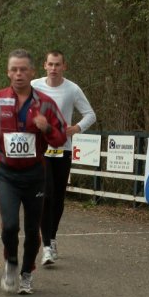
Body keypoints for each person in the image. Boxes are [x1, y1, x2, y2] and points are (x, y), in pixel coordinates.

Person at [0, 49, 67, 295]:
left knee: (31, 229)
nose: (18, 74)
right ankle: (11, 263)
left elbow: (60, 138)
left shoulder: (46, 104)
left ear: (32, 72)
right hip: (6, 173)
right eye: (14, 69)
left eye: (23, 69)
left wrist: (46, 127)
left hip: (36, 174)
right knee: (9, 226)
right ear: (8, 72)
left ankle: (27, 272)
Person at [31, 50, 96, 265]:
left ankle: (52, 237)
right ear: (44, 65)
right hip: (41, 149)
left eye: (57, 64)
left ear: (64, 67)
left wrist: (76, 127)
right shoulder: (34, 86)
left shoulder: (72, 89)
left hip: (63, 148)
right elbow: (21, 108)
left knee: (58, 197)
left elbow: (90, 115)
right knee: (46, 194)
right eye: (50, 64)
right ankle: (47, 246)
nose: (53, 68)